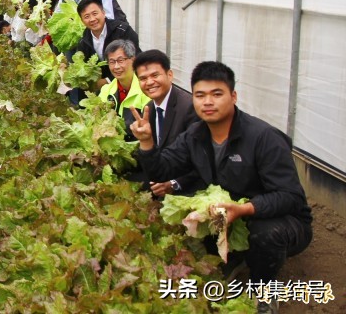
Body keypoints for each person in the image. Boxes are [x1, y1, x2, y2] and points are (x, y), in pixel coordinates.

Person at [130, 62, 313, 312]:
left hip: (283, 221)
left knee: (264, 232)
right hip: (231, 214)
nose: (208, 102)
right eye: (200, 95)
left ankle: (264, 290)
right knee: (188, 209)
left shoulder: (263, 137)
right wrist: (147, 142)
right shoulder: (195, 135)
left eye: (217, 94)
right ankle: (235, 258)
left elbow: (290, 197)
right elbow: (162, 170)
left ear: (233, 96)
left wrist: (246, 209)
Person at [132, 50, 202, 196]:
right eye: (143, 78)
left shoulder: (190, 108)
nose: (149, 82)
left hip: (189, 189)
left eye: (155, 75)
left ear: (169, 75)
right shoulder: (150, 109)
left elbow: (202, 161)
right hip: (160, 178)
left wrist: (174, 184)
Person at [73, 0, 140, 81]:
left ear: (103, 13)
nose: (92, 19)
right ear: (82, 21)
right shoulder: (83, 41)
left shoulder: (123, 30)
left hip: (128, 81)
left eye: (95, 14)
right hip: (102, 88)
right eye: (87, 17)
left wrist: (107, 81)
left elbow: (135, 59)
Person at [97, 40, 150, 132]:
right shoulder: (106, 90)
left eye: (121, 60)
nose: (116, 67)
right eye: (112, 62)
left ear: (133, 60)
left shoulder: (146, 90)